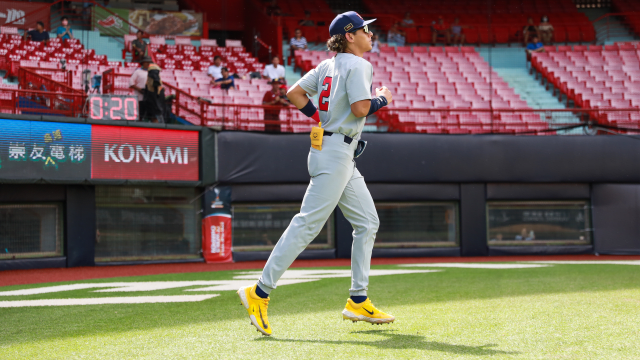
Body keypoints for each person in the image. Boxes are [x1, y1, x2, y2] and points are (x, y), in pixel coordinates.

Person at [237, 11, 395, 336]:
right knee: (307, 223)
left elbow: (294, 93)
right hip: (336, 152)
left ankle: (358, 299)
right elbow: (361, 109)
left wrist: (320, 118)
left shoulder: (327, 65)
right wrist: (383, 98)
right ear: (350, 36)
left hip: (334, 150)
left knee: (367, 223)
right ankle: (260, 292)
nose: (371, 34)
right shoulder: (358, 65)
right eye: (365, 30)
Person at [141, 57, 166, 123]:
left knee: (156, 115)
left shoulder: (152, 73)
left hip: (154, 100)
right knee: (155, 115)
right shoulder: (152, 79)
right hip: (153, 99)